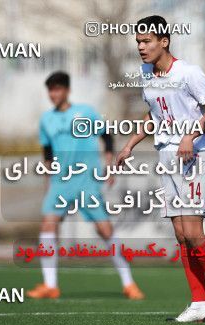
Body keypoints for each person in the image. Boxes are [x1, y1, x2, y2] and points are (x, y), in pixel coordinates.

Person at [116, 15, 205, 322]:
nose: (141, 48)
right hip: (166, 157)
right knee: (181, 234)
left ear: (164, 41)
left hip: (193, 157)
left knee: (194, 232)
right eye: (138, 42)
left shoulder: (189, 72)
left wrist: (191, 135)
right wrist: (130, 144)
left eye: (146, 41)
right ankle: (198, 301)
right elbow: (153, 114)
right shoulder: (147, 74)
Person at [27, 71, 144, 300]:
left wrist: (109, 165)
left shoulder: (86, 112)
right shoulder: (46, 120)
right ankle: (50, 285)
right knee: (48, 225)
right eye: (50, 90)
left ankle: (129, 283)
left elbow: (107, 137)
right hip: (60, 182)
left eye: (57, 89)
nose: (53, 94)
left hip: (86, 182)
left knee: (105, 230)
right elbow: (47, 153)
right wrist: (48, 182)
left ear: (67, 90)